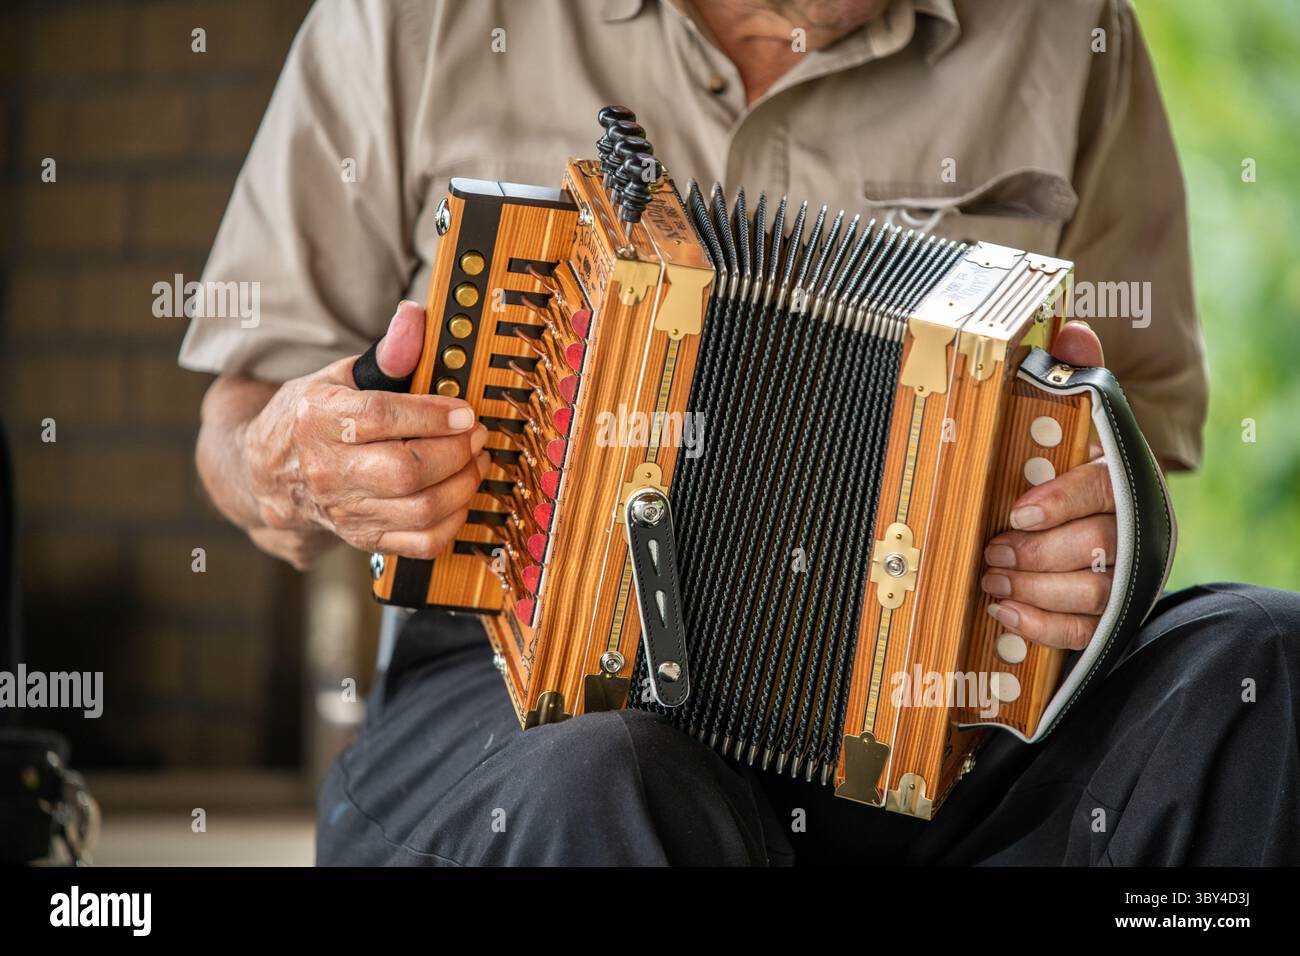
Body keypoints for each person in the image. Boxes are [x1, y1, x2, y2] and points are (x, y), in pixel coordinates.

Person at [180, 0, 1300, 864]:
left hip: (935, 717)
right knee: (608, 779)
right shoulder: (412, 18)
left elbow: (1137, 421)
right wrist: (300, 461)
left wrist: (1092, 528)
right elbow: (239, 423)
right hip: (513, 700)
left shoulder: (1070, 29)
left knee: (1261, 660)